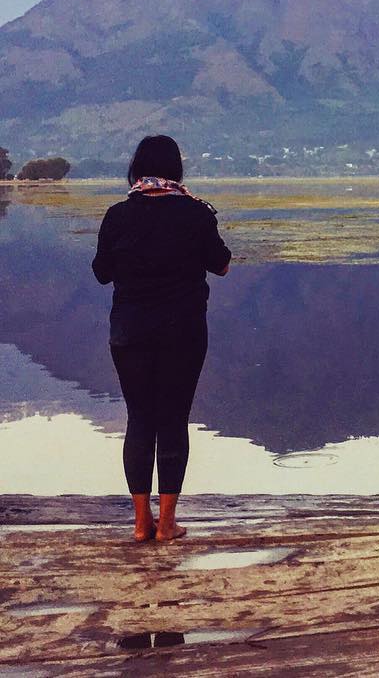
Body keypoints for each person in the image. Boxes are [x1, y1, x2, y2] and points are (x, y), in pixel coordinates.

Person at [92, 135, 231, 542]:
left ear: (136, 170)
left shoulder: (117, 216)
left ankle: (140, 524)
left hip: (129, 333)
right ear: (177, 170)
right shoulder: (196, 214)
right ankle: (167, 524)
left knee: (140, 420)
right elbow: (221, 265)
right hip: (183, 333)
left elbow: (102, 273)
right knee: (172, 421)